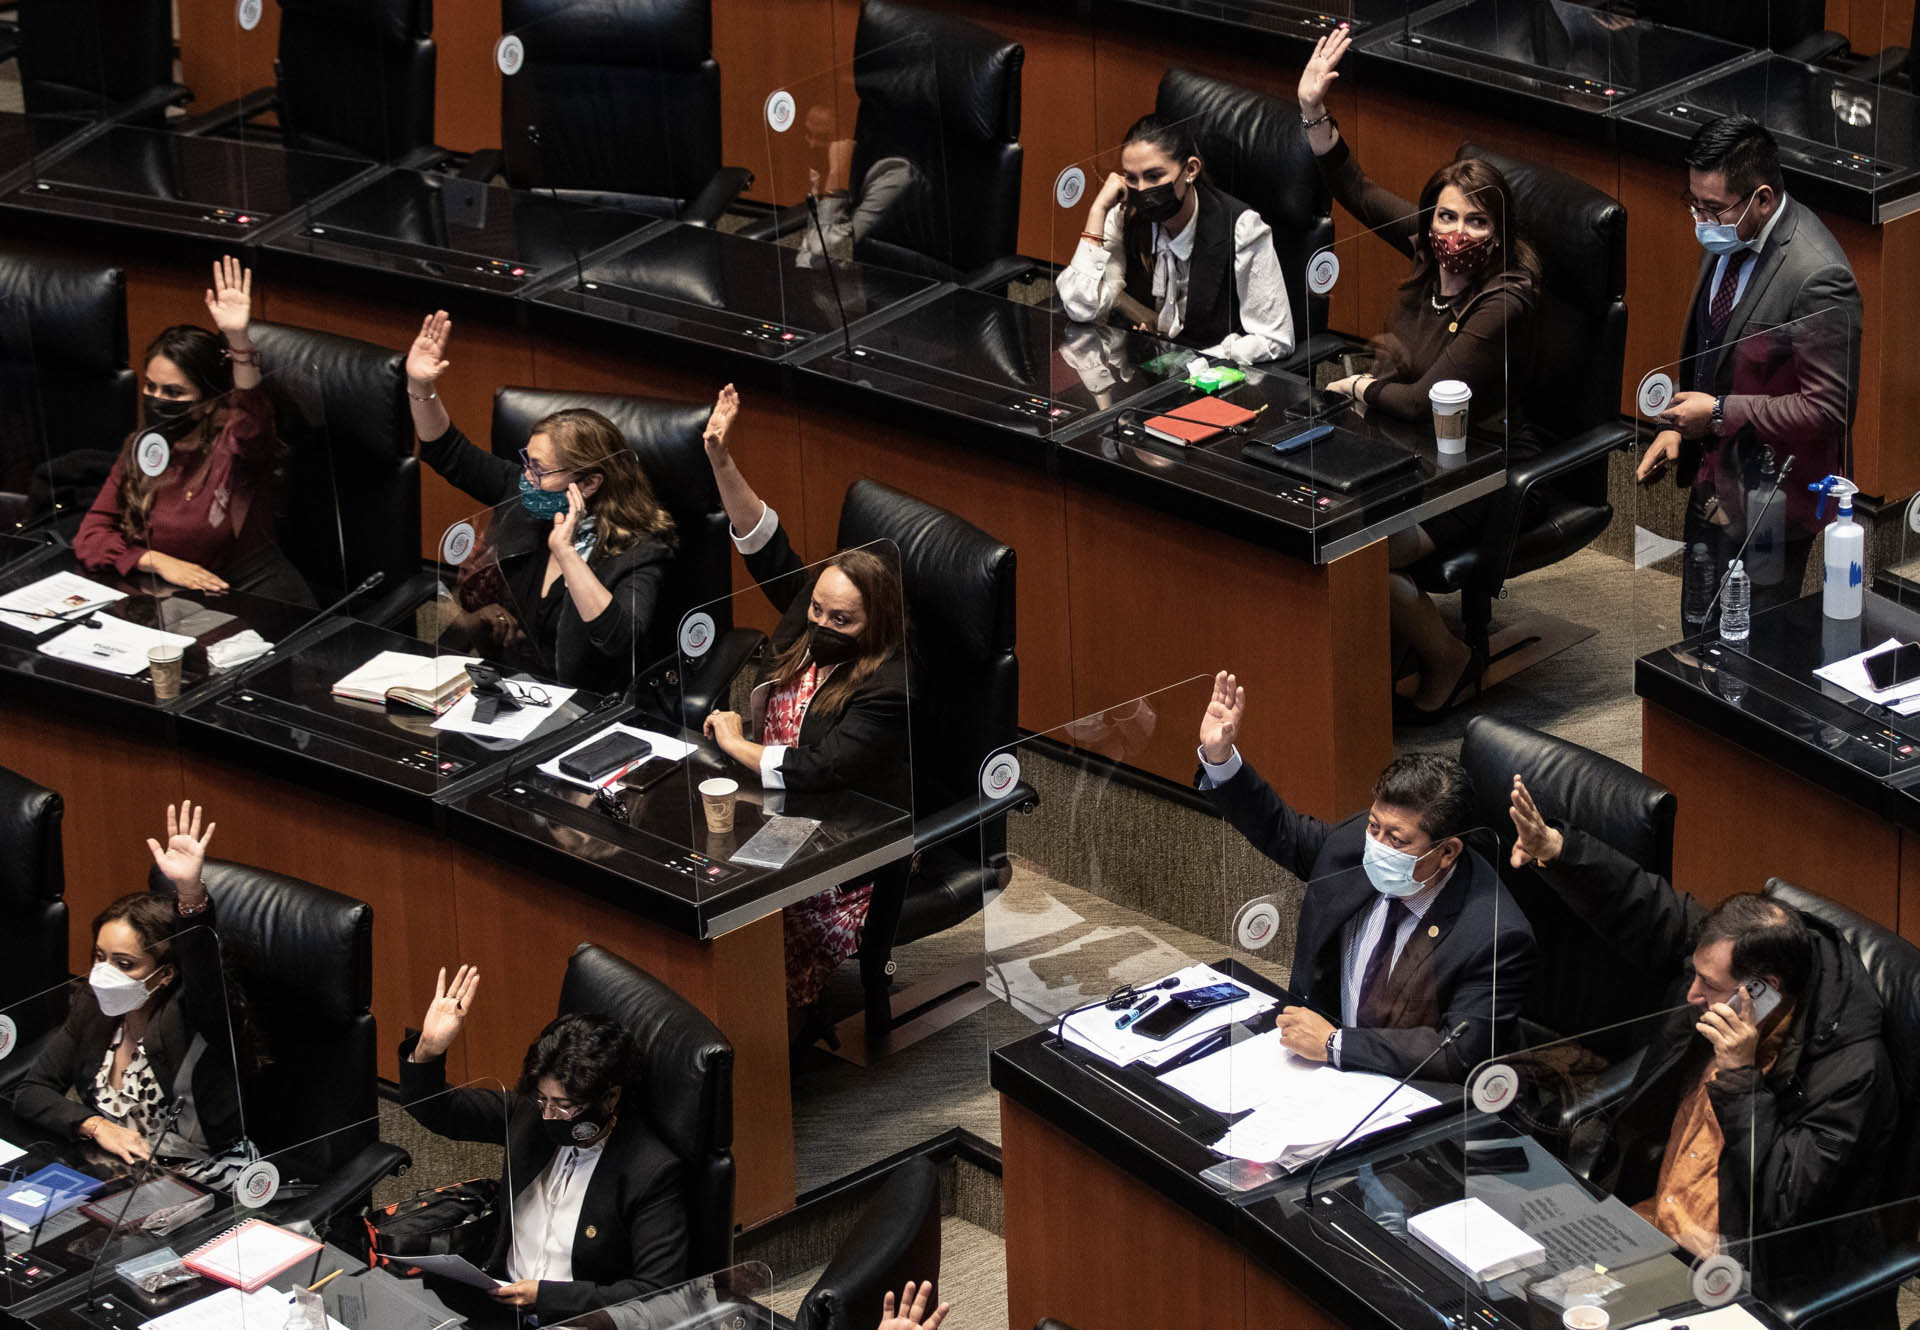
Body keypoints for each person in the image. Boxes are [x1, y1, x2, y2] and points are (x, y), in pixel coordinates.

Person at [1507, 776, 1895, 1283]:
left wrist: (1740, 1079)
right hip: (1648, 1224)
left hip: (1727, 1273)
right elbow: (1644, 905)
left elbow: (1782, 1203)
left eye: (1707, 986)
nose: (1692, 995)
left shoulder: (1849, 1072)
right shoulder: (1726, 961)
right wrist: (1557, 851)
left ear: (1763, 990)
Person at [1297, 26, 1541, 719]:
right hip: (1411, 452)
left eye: (1473, 223)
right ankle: (1418, 647)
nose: (1453, 234)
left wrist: (1362, 387)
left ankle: (1443, 656)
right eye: (1444, 216)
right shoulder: (1429, 249)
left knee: (1357, 551)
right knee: (1335, 537)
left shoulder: (1506, 297)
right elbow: (1353, 184)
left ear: (1497, 233)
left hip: (1484, 469)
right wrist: (1314, 108)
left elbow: (1434, 398)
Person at [1195, 672, 1534, 1080]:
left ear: (1447, 853)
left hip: (1410, 1096)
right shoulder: (1356, 844)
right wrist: (1221, 758)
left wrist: (1337, 1044)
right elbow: (1281, 831)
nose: (1377, 845)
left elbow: (1461, 1052)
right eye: (1375, 826)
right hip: (1311, 1070)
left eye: (1397, 839)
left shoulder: (1493, 934)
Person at [697, 384, 910, 1020]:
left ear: (873, 624)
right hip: (767, 809)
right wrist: (720, 460)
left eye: (838, 618)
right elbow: (765, 547)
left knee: (749, 918)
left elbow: (825, 769)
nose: (818, 622)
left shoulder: (891, 686)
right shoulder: (808, 615)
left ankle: (749, 1034)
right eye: (815, 607)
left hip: (842, 845)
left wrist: (739, 745)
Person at [1634, 115, 1862, 624]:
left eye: (1712, 208)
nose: (1699, 219)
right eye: (1693, 204)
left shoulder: (1818, 275)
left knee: (1751, 645)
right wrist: (1680, 429)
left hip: (1772, 499)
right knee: (1697, 626)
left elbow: (1829, 408)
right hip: (1714, 476)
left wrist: (1715, 414)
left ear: (1761, 198)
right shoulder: (1730, 234)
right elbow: (1716, 348)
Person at [403, 311, 678, 693]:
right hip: (504, 690)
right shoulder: (522, 495)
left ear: (590, 483)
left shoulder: (639, 552)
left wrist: (566, 553)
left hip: (582, 709)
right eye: (527, 464)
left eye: (541, 470)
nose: (528, 478)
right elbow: (448, 451)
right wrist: (420, 385)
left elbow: (619, 640)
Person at [400, 964, 689, 1321]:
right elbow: (439, 1111)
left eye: (565, 1106)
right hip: (498, 1300)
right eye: (542, 1100)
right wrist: (429, 1048)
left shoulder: (650, 1171)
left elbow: (654, 1291)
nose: (549, 1115)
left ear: (609, 1099)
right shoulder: (531, 1116)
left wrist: (548, 1296)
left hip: (576, 1320)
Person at [16, 802, 257, 1184]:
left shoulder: (195, 1017)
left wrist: (190, 895)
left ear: (164, 975)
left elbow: (204, 974)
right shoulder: (92, 1007)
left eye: (125, 964)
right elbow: (31, 1091)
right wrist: (96, 1125)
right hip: (119, 1173)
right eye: (100, 957)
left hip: (202, 1179)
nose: (104, 974)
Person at [74, 258, 314, 605]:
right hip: (174, 598)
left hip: (252, 601)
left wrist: (238, 340)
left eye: (173, 393)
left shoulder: (235, 447)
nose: (157, 401)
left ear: (208, 402)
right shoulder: (144, 448)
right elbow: (91, 533)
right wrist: (155, 560)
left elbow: (252, 415)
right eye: (152, 387)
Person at [1057, 114, 1295, 365]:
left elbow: (1276, 339)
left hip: (1213, 379)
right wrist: (1098, 210)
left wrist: (1199, 361)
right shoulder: (1125, 215)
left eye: (1154, 176)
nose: (1142, 190)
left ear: (1190, 170)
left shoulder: (1242, 228)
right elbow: (1078, 305)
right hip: (1143, 375)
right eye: (1131, 178)